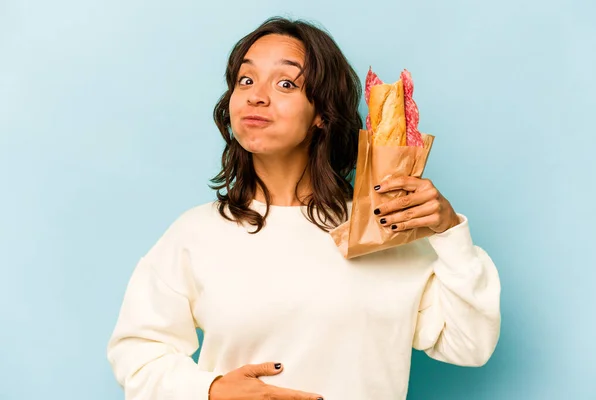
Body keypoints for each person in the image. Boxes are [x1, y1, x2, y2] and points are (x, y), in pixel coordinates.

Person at [106, 16, 501, 400]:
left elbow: (469, 346)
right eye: (246, 79)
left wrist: (449, 232)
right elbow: (137, 354)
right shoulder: (197, 233)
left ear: (322, 115)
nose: (257, 95)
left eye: (285, 83)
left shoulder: (382, 228)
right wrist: (208, 390)